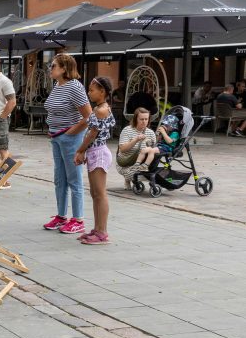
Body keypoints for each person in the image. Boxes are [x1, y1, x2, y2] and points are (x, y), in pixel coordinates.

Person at [43, 53, 93, 235]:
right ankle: (61, 216)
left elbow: (89, 116)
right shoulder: (58, 85)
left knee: (74, 178)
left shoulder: (74, 87)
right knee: (60, 179)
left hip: (69, 138)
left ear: (64, 68)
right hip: (56, 137)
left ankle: (78, 219)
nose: (51, 68)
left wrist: (72, 131)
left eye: (54, 65)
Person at [73, 77, 114, 245]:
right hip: (94, 152)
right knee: (95, 193)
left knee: (100, 193)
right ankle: (97, 229)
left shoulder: (101, 110)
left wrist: (80, 150)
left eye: (92, 90)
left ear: (102, 92)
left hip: (98, 152)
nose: (89, 93)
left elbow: (92, 134)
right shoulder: (100, 108)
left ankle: (102, 232)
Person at [116, 108, 159, 188]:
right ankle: (127, 179)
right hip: (126, 162)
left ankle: (134, 176)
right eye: (141, 119)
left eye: (146, 119)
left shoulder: (151, 133)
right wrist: (135, 140)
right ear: (136, 119)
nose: (144, 121)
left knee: (153, 175)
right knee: (134, 175)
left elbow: (153, 150)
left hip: (142, 163)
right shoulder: (127, 130)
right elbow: (122, 149)